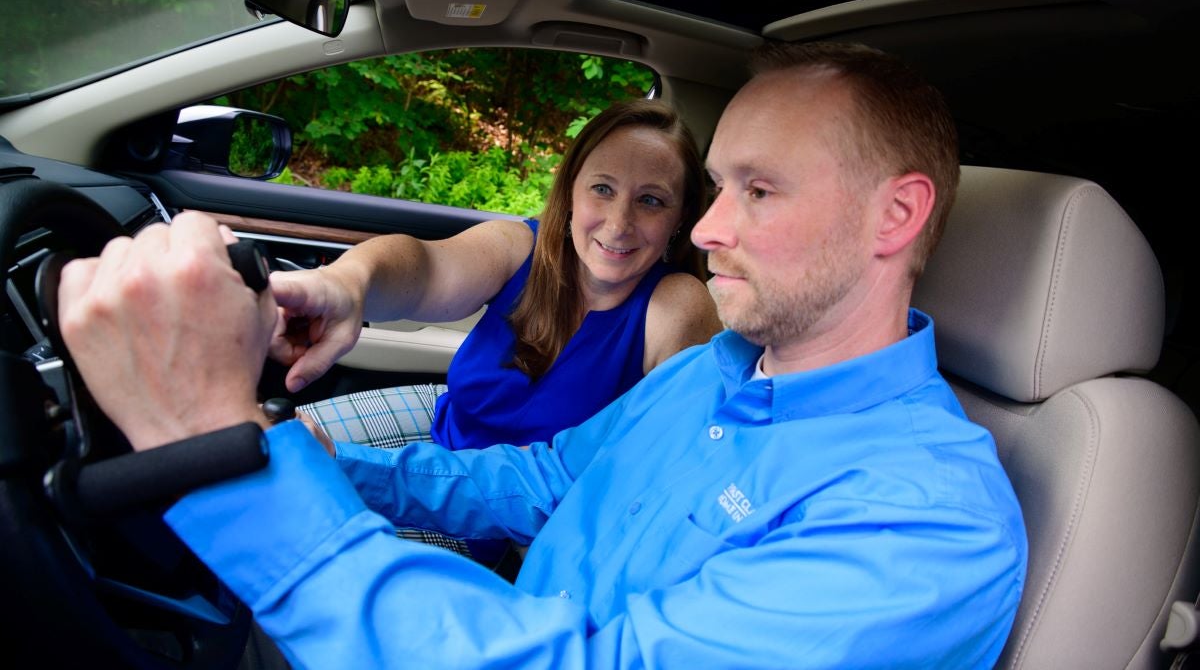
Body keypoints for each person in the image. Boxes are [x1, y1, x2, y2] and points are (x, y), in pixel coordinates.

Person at [58, 41, 1027, 669]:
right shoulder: (715, 370)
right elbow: (544, 476)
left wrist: (212, 447)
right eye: (717, 187)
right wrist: (298, 460)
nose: (705, 229)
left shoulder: (926, 521)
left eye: (759, 192)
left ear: (895, 215)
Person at [271, 98, 720, 457]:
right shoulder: (519, 246)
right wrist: (350, 282)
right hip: (441, 427)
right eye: (602, 189)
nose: (619, 222)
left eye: (652, 201)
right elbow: (424, 267)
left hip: (516, 517)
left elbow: (664, 464)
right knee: (268, 449)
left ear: (680, 219)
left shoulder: (676, 305)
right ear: (570, 194)